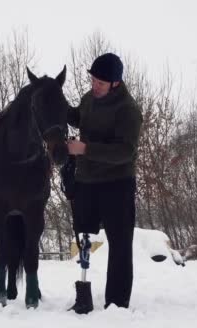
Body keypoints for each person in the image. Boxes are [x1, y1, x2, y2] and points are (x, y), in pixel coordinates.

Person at [66, 52, 143, 309]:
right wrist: (53, 100)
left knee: (120, 244)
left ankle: (117, 303)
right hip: (87, 181)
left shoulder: (128, 110)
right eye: (92, 80)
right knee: (83, 235)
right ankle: (83, 293)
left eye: (100, 82)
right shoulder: (89, 99)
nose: (94, 86)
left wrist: (85, 149)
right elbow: (77, 116)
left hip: (117, 183)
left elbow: (125, 152)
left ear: (115, 83)